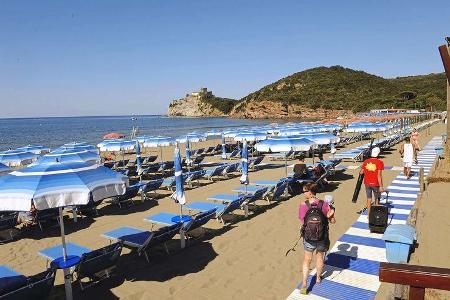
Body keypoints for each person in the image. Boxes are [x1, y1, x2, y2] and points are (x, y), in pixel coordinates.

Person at [298, 183, 335, 295]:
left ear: (310, 192)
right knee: (320, 258)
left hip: (309, 237)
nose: (303, 193)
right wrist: (331, 213)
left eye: (305, 191)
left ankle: (304, 283)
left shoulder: (303, 205)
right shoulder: (324, 204)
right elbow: (332, 221)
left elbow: (303, 221)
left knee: (307, 260)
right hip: (322, 237)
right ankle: (318, 277)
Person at [358, 147, 384, 215]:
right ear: (378, 154)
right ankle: (375, 215)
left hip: (367, 183)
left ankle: (369, 215)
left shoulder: (366, 161)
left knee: (369, 199)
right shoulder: (380, 162)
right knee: (377, 200)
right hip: (375, 183)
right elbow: (379, 175)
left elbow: (361, 172)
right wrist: (381, 186)